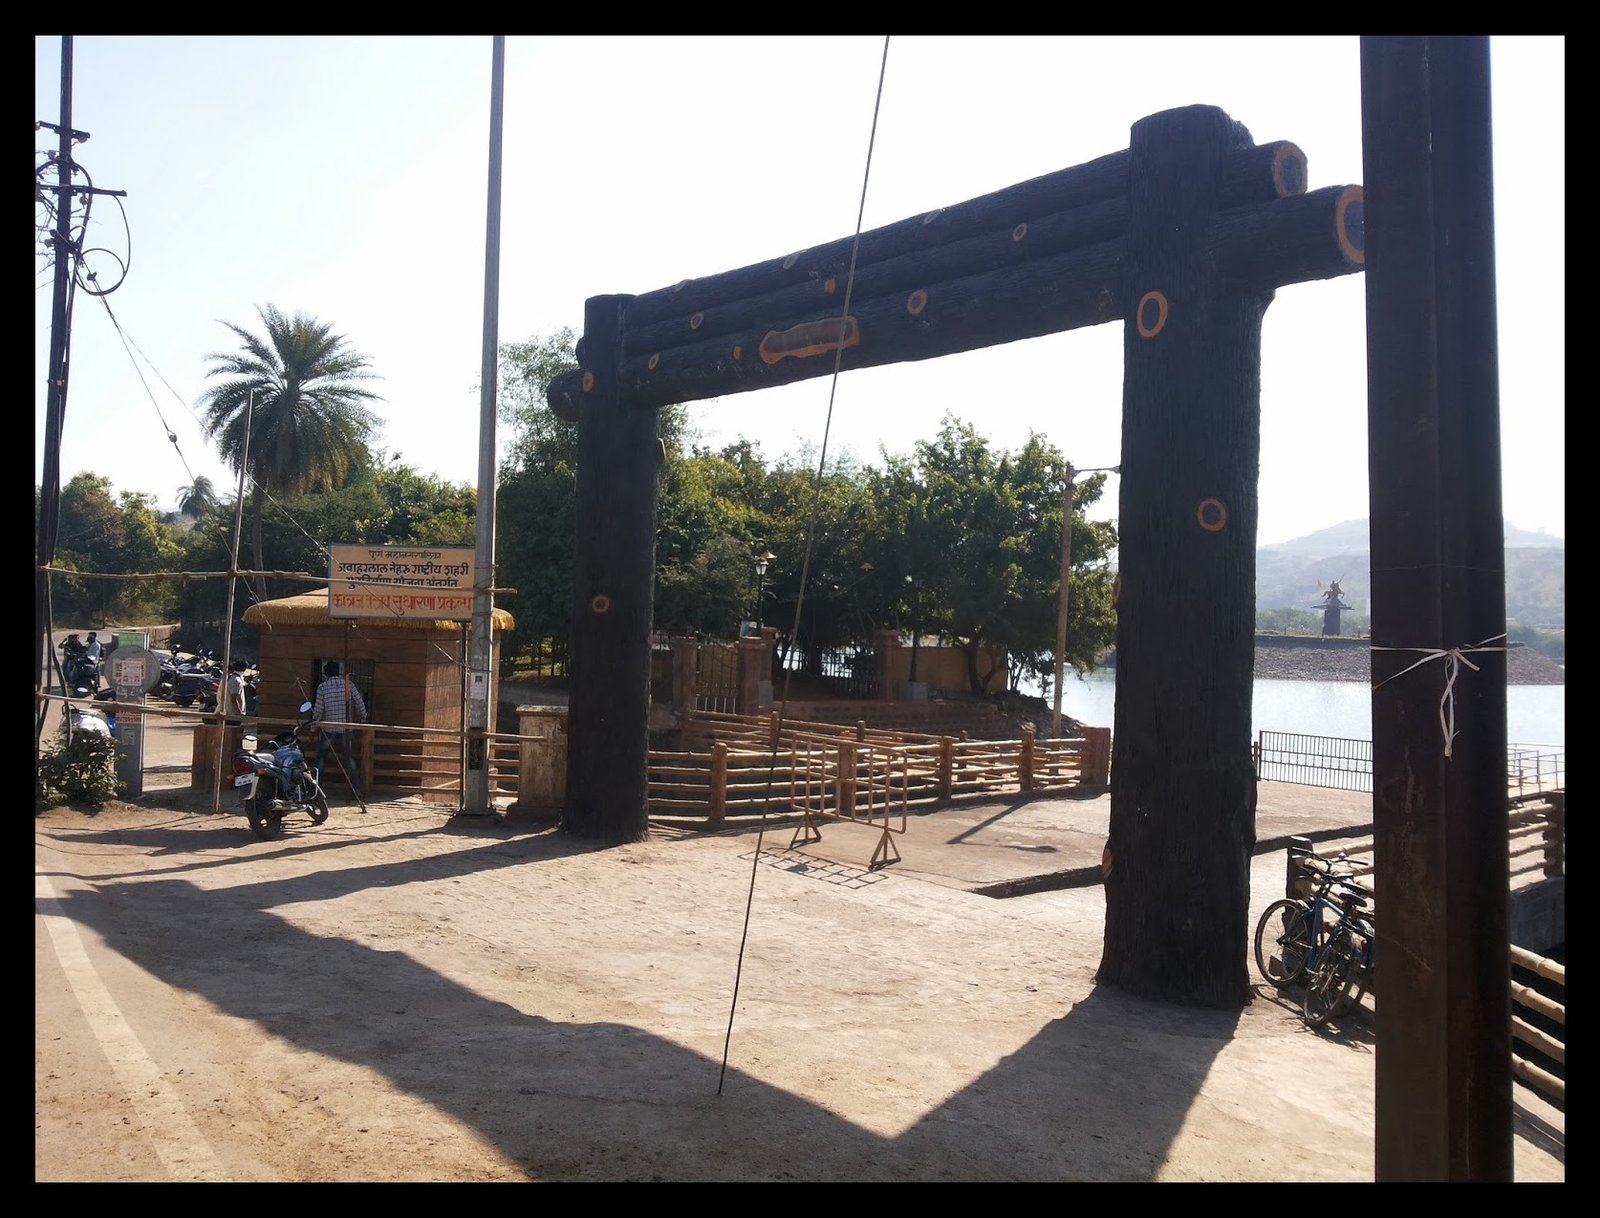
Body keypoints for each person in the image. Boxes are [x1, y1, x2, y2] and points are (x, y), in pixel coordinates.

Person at [313, 661, 368, 807]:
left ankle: (316, 788)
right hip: (346, 728)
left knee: (320, 758)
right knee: (349, 758)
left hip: (328, 729)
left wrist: (314, 726)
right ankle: (356, 788)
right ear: (338, 671)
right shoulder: (348, 685)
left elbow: (318, 710)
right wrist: (363, 717)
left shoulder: (322, 687)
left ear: (326, 673)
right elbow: (359, 702)